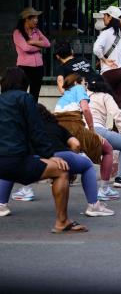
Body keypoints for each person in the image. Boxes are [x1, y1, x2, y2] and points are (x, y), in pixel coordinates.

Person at [0, 67, 88, 232]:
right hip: (17, 161)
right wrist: (51, 155)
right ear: (25, 84)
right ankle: (62, 221)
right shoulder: (25, 98)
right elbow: (36, 131)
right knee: (61, 171)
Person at [0, 104, 114, 217]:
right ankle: (94, 205)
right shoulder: (57, 127)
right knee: (87, 166)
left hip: (34, 160)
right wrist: (73, 158)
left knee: (9, 168)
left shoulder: (24, 129)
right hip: (61, 156)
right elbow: (76, 144)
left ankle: (1, 205)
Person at [54, 74, 119, 201]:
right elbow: (86, 109)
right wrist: (92, 130)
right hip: (74, 126)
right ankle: (104, 189)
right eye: (85, 84)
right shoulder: (78, 89)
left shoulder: (65, 95)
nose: (86, 87)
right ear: (77, 83)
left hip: (59, 129)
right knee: (107, 149)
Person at [87, 77, 121, 188]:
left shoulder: (84, 96)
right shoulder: (105, 96)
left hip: (81, 132)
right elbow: (117, 115)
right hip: (97, 130)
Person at [13, 7, 50, 101]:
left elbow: (47, 43)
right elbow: (26, 48)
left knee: (35, 93)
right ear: (27, 19)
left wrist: (32, 41)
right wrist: (39, 46)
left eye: (37, 18)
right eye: (34, 18)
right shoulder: (17, 33)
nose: (36, 21)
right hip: (24, 67)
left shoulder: (37, 31)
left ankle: (32, 113)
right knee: (22, 92)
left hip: (38, 66)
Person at [93, 6, 121, 107]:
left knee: (102, 100)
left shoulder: (106, 33)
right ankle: (118, 122)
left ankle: (101, 122)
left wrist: (104, 59)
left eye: (105, 15)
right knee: (117, 100)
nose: (103, 17)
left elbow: (96, 49)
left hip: (110, 71)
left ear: (110, 17)